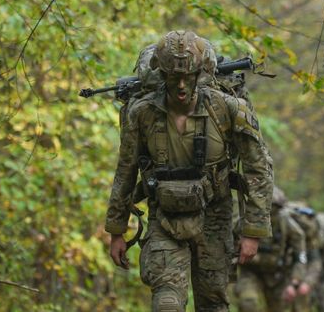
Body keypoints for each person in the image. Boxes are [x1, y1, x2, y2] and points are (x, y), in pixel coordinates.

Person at [105, 30, 274, 311]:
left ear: (201, 74)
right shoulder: (142, 113)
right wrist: (116, 230)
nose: (181, 85)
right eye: (173, 77)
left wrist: (252, 231)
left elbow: (259, 168)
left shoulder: (229, 109)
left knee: (212, 302)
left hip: (215, 217)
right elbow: (126, 171)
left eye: (189, 76)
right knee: (167, 303)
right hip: (165, 219)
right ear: (162, 76)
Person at [234, 187, 316, 312]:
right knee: (248, 303)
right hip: (251, 272)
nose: (269, 214)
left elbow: (300, 257)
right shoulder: (245, 221)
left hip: (277, 276)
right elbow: (231, 243)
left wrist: (294, 283)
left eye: (274, 210)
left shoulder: (290, 227)